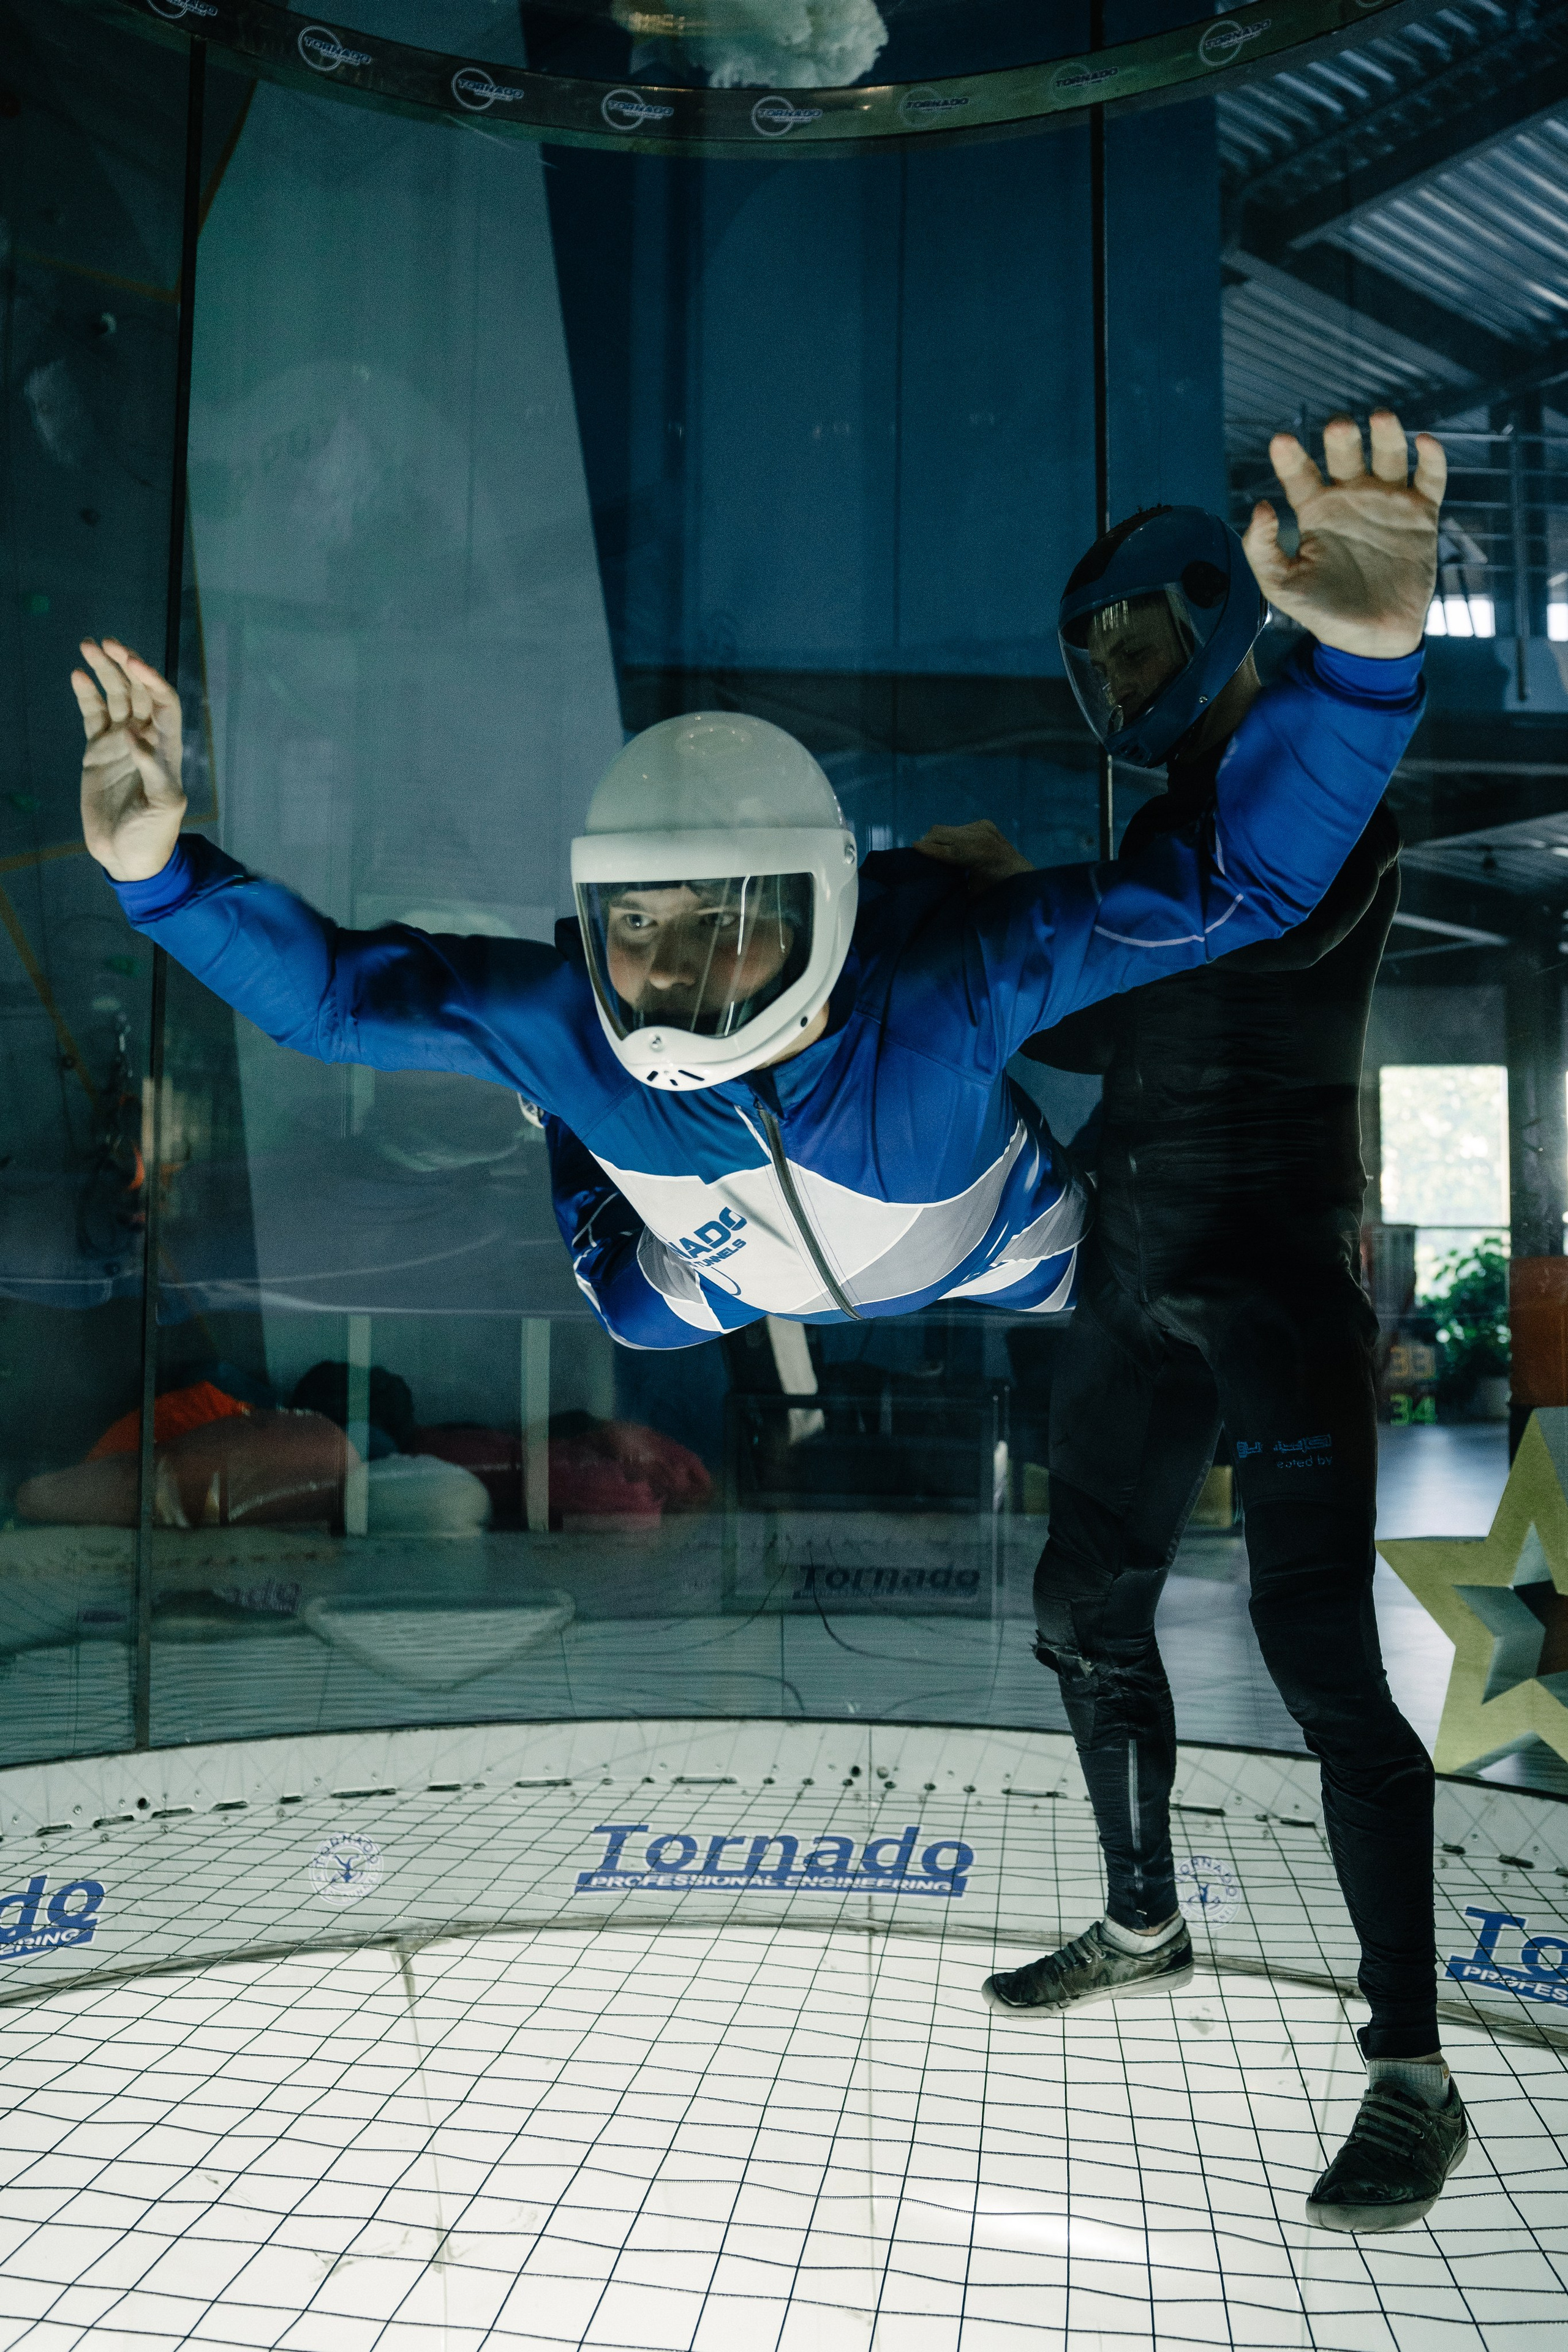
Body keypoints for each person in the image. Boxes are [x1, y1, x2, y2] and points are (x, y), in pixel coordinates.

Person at [73, 412, 1441, 1362]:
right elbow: (324, 1001)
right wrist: (155, 872)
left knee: (1102, 1273)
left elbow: (1240, 881)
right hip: (758, 1267)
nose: (667, 974)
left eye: (722, 926)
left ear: (821, 910)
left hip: (946, 1248)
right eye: (636, 925)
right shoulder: (582, 1018)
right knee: (628, 1282)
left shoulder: (940, 981)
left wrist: (1371, 662)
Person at [979, 435, 1463, 2236]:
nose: (1118, 672)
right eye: (1092, 650)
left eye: (1137, 637)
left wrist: (1367, 660)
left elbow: (1185, 959)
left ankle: (1412, 2068)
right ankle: (1144, 1920)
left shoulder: (1302, 795)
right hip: (1137, 1266)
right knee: (1077, 1606)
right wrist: (1013, 915)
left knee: (1324, 1660)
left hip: (1267, 1278)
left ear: (1214, 617)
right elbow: (1139, 1017)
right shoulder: (1164, 830)